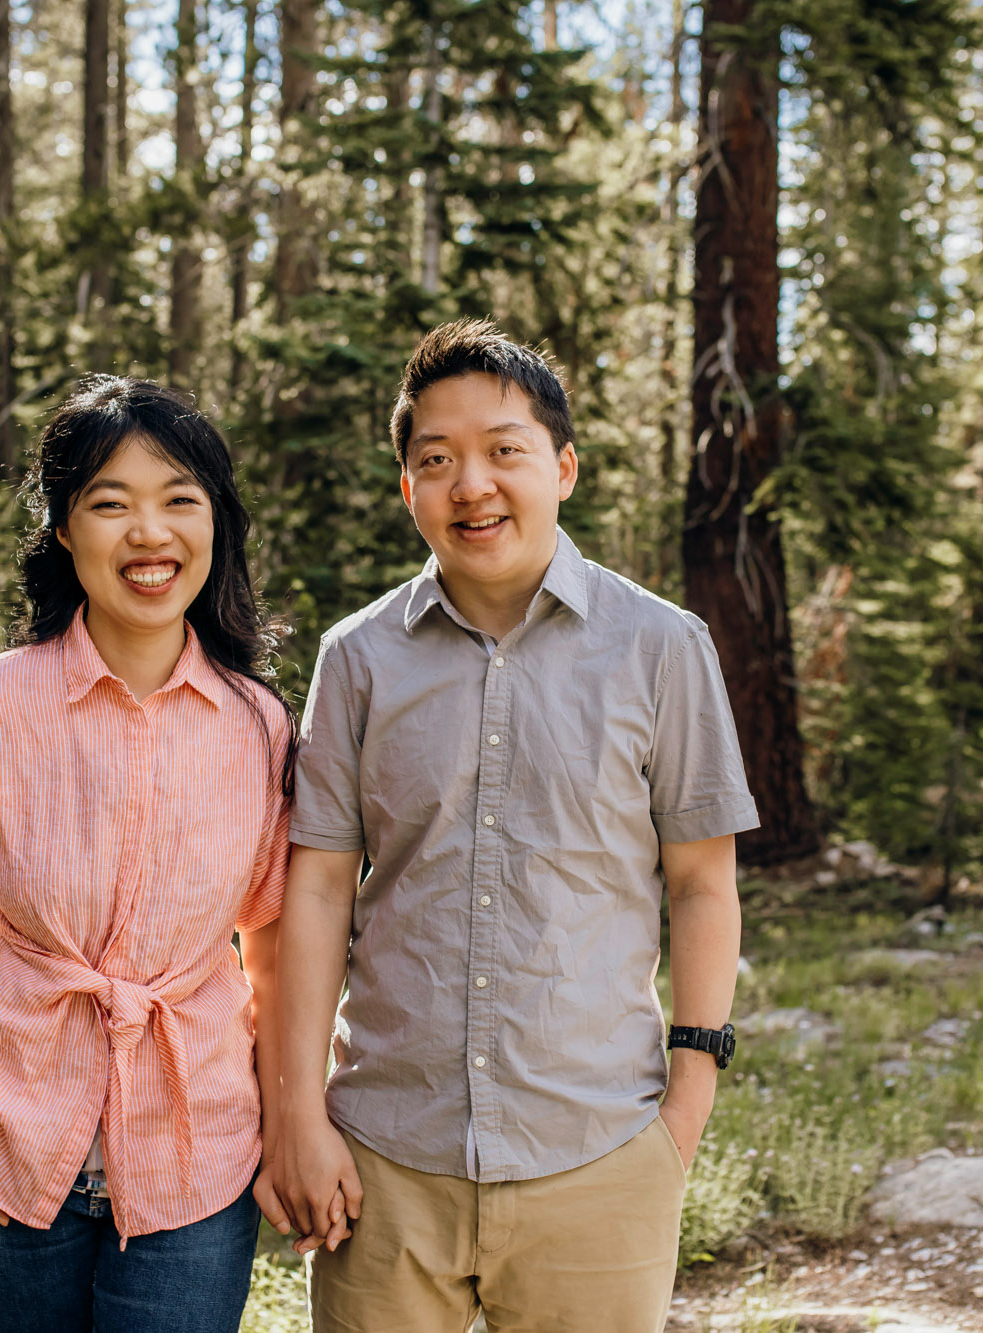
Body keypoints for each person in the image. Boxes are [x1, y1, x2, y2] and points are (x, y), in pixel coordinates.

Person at [256, 319, 759, 1333]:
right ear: (408, 491)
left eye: (502, 451)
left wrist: (682, 1115)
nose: (468, 485)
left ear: (562, 466)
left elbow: (704, 885)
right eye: (434, 461)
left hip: (598, 1153)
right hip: (386, 1158)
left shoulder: (661, 647)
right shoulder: (357, 661)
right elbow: (313, 891)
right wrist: (295, 1114)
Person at [0, 376, 294, 1333]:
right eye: (110, 503)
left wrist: (281, 1117)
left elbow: (268, 939)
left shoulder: (260, 728)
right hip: (5, 1139)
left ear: (216, 521)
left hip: (199, 1150)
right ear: (63, 529)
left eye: (180, 498)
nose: (150, 532)